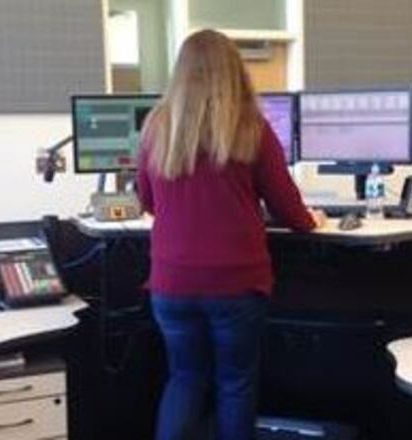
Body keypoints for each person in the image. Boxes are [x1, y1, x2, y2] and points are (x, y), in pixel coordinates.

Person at [136, 29, 325, 440]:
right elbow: (289, 210)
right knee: (234, 384)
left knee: (184, 378)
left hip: (171, 283)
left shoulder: (157, 126)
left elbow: (147, 200)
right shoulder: (250, 126)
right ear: (234, 72)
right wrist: (314, 220)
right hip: (235, 284)